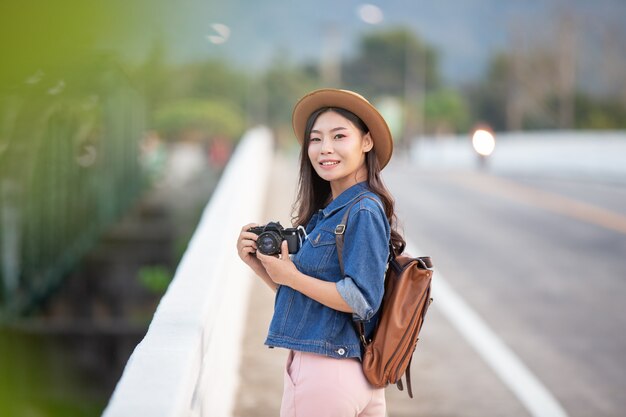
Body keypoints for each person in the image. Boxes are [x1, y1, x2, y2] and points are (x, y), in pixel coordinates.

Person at [236, 89, 405, 417]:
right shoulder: (333, 212)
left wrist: (294, 277)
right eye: (316, 139)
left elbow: (361, 300)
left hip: (325, 373)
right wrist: (261, 266)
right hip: (353, 376)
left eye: (339, 136)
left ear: (366, 142)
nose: (325, 148)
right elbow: (317, 303)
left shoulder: (362, 210)